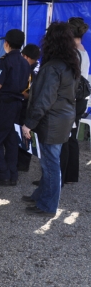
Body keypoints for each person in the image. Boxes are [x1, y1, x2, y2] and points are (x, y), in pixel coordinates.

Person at [22, 22, 78, 217]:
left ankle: (48, 205)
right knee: (49, 161)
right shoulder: (70, 62)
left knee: (50, 164)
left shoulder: (53, 66)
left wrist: (29, 123)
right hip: (63, 117)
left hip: (52, 120)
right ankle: (41, 195)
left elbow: (45, 99)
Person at [0, 29, 31, 186]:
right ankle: (12, 174)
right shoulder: (25, 62)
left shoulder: (5, 60)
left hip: (5, 104)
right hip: (18, 104)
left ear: (7, 44)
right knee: (11, 140)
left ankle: (2, 174)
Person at [59, 17, 90, 186]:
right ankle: (71, 175)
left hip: (72, 99)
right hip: (80, 100)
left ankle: (60, 177)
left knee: (64, 137)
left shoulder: (73, 53)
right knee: (71, 137)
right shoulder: (83, 50)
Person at [17, 43, 41, 172]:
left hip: (27, 105)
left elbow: (28, 94)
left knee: (23, 133)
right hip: (35, 107)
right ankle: (23, 163)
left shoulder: (29, 70)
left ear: (25, 56)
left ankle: (21, 163)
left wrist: (16, 91)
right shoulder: (41, 68)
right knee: (27, 134)